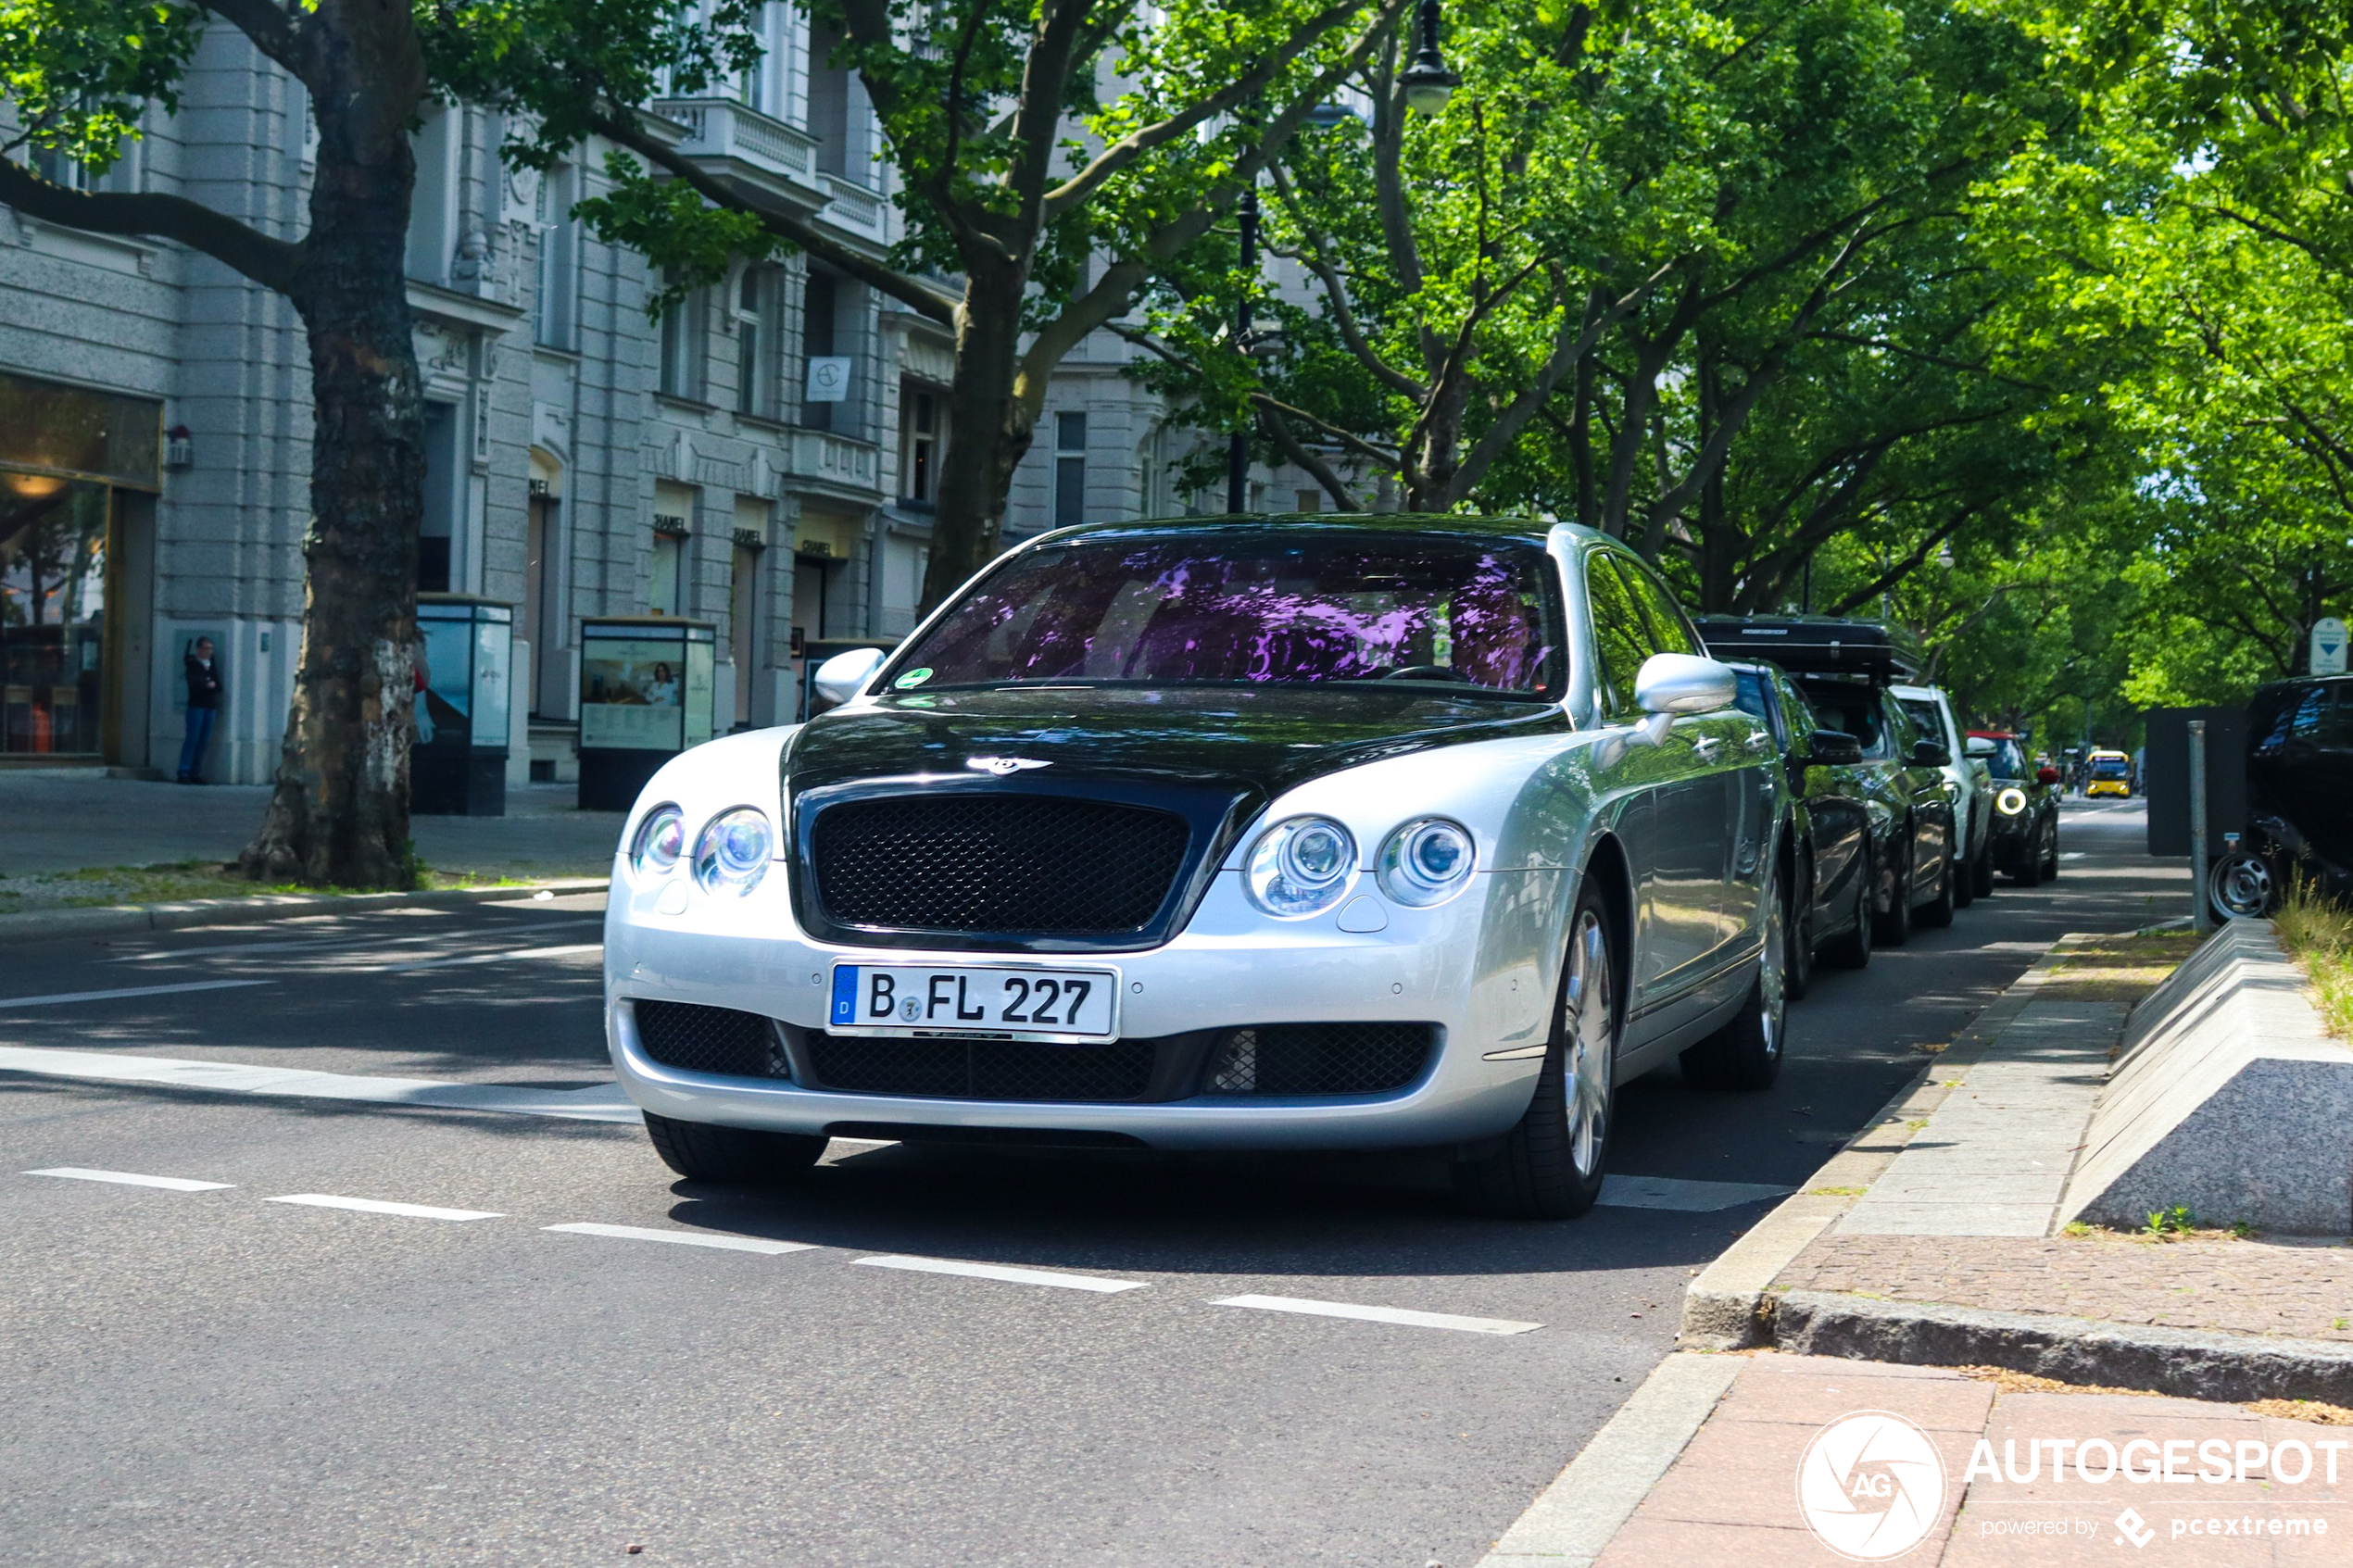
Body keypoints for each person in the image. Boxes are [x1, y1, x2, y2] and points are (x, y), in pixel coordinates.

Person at [178, 636, 220, 784]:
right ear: (198, 649)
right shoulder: (193, 665)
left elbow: (218, 684)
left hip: (210, 706)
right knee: (192, 739)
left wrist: (212, 685)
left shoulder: (212, 664)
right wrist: (207, 684)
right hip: (196, 706)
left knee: (203, 741)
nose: (209, 652)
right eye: (206, 648)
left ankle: (196, 772)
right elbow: (195, 684)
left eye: (210, 649)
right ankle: (183, 771)